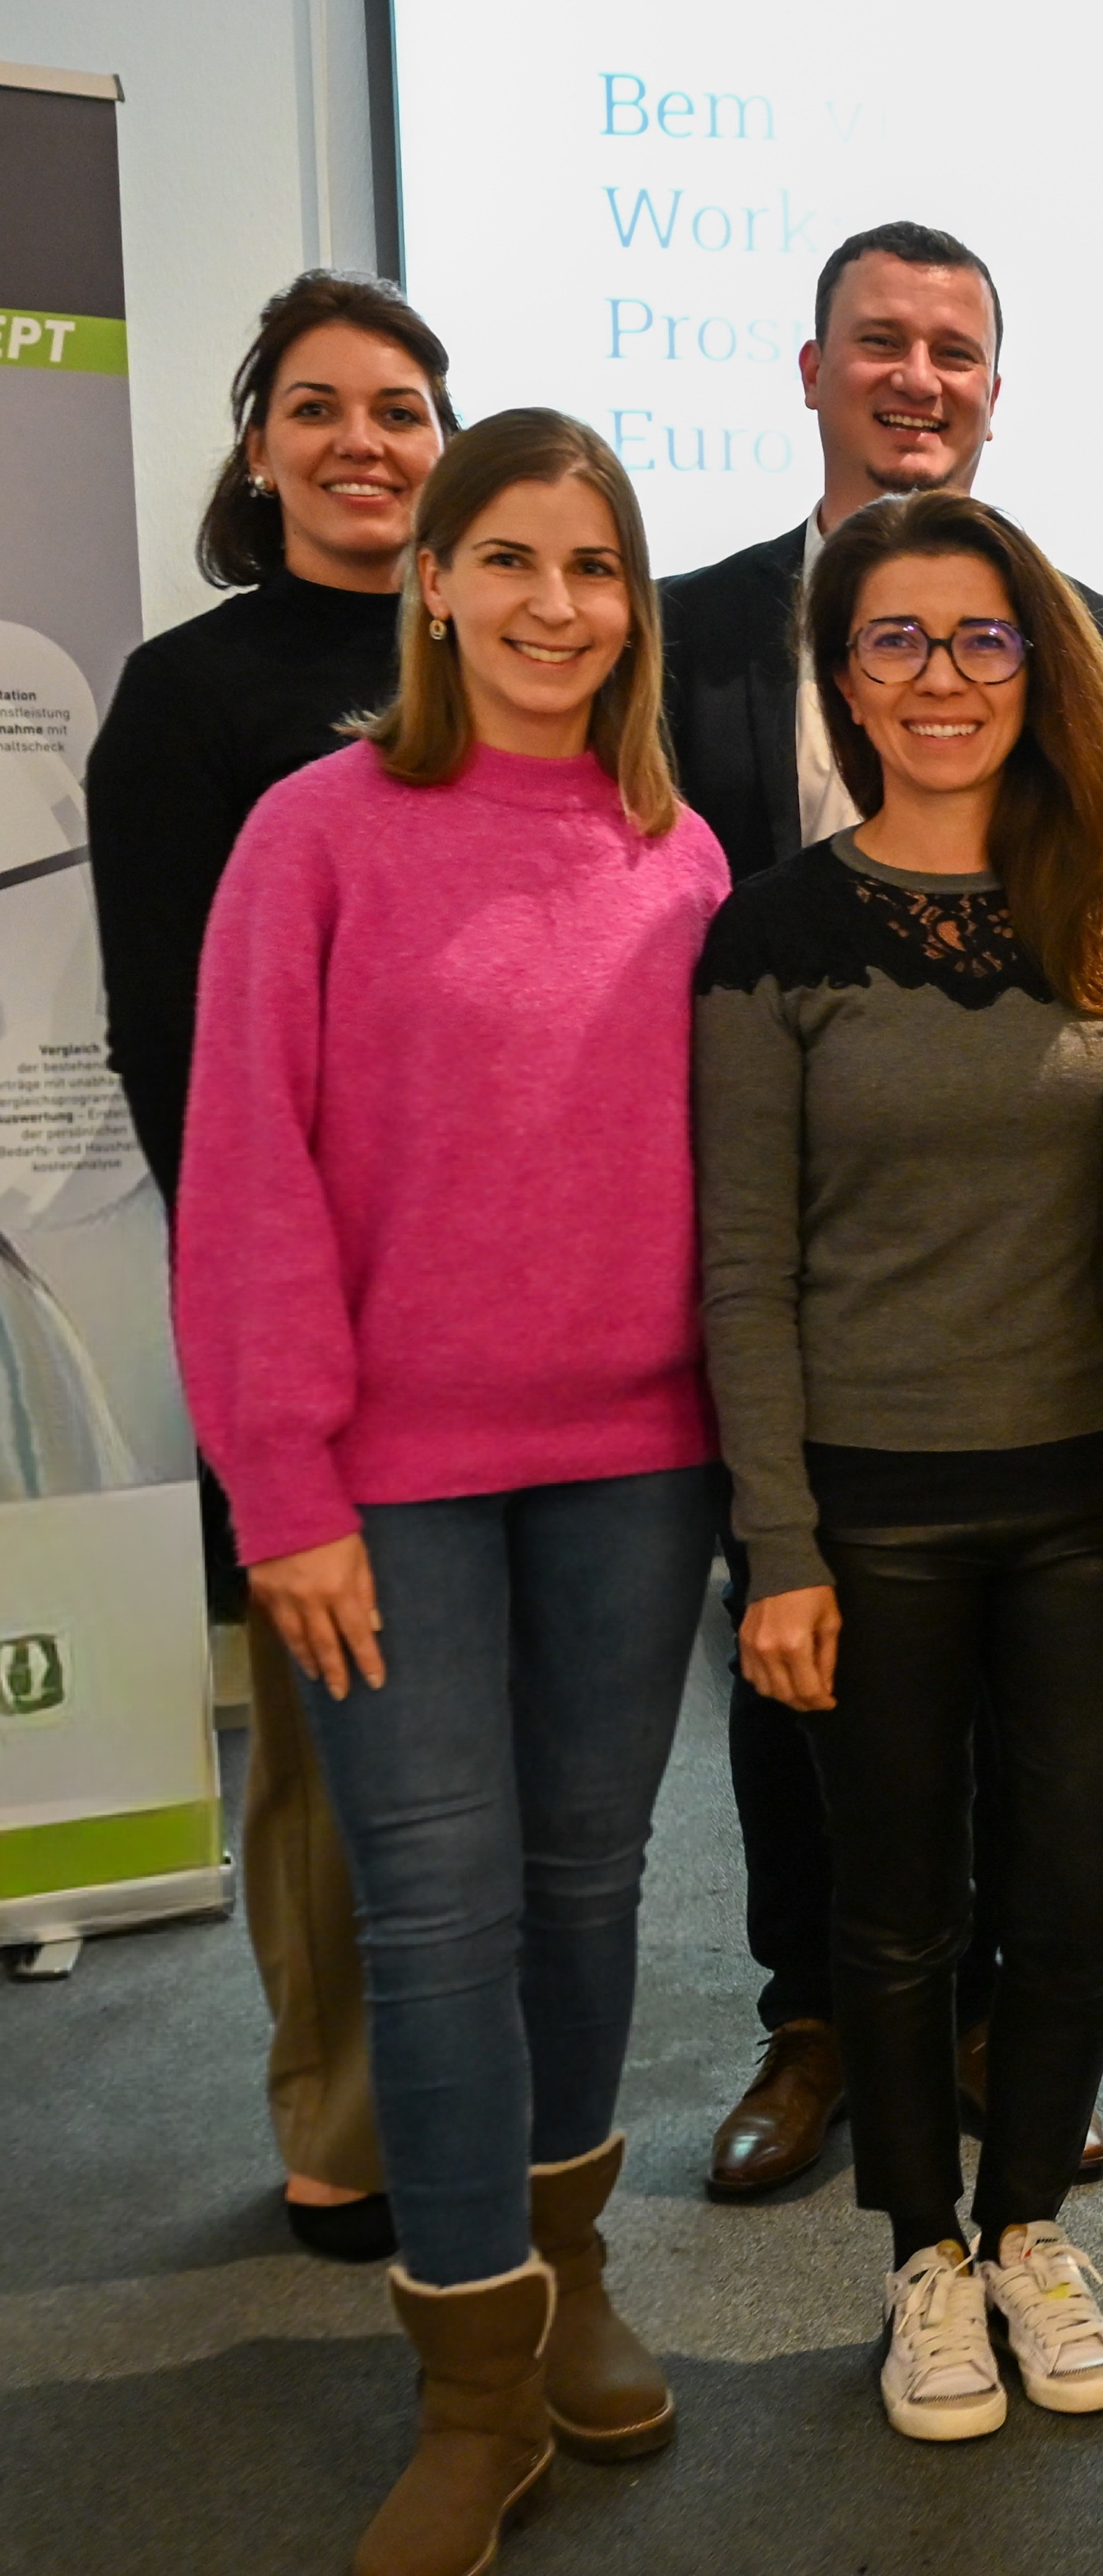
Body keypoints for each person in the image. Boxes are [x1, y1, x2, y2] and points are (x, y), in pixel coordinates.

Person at [173, 408, 724, 2576]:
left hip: (636, 1466)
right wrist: (282, 1485)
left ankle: (559, 2277)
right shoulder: (315, 833)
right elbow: (247, 1171)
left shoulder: (674, 850)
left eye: (592, 567)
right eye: (508, 558)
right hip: (385, 1484)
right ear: (432, 583)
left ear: (633, 606)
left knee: (590, 1885)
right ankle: (469, 2386)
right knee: (432, 1915)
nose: (551, 605)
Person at [661, 219, 1103, 2200]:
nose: (916, 377)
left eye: (952, 349)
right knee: (817, 1737)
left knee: (1060, 1818)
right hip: (821, 1309)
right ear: (811, 370)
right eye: (877, 343)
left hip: (1057, 1373)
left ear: (993, 384)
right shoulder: (685, 633)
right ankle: (815, 2026)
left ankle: (1000, 2048)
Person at [695, 491, 1103, 2442]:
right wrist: (777, 1549)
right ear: (842, 676)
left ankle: (1029, 2227)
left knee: (1076, 1892)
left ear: (1036, 669)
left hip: (1094, 1504)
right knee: (889, 1915)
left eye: (981, 637)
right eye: (895, 639)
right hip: (867, 1512)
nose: (942, 676)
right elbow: (741, 1269)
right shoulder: (771, 933)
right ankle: (921, 2259)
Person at [86, 270, 454, 2269]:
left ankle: (483, 2101)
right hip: (313, 1310)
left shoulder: (517, 657)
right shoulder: (188, 695)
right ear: (258, 451)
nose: (360, 444)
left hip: (502, 1301)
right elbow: (170, 1053)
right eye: (318, 409)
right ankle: (340, 2118)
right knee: (329, 1744)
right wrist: (264, 1309)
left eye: (398, 410)